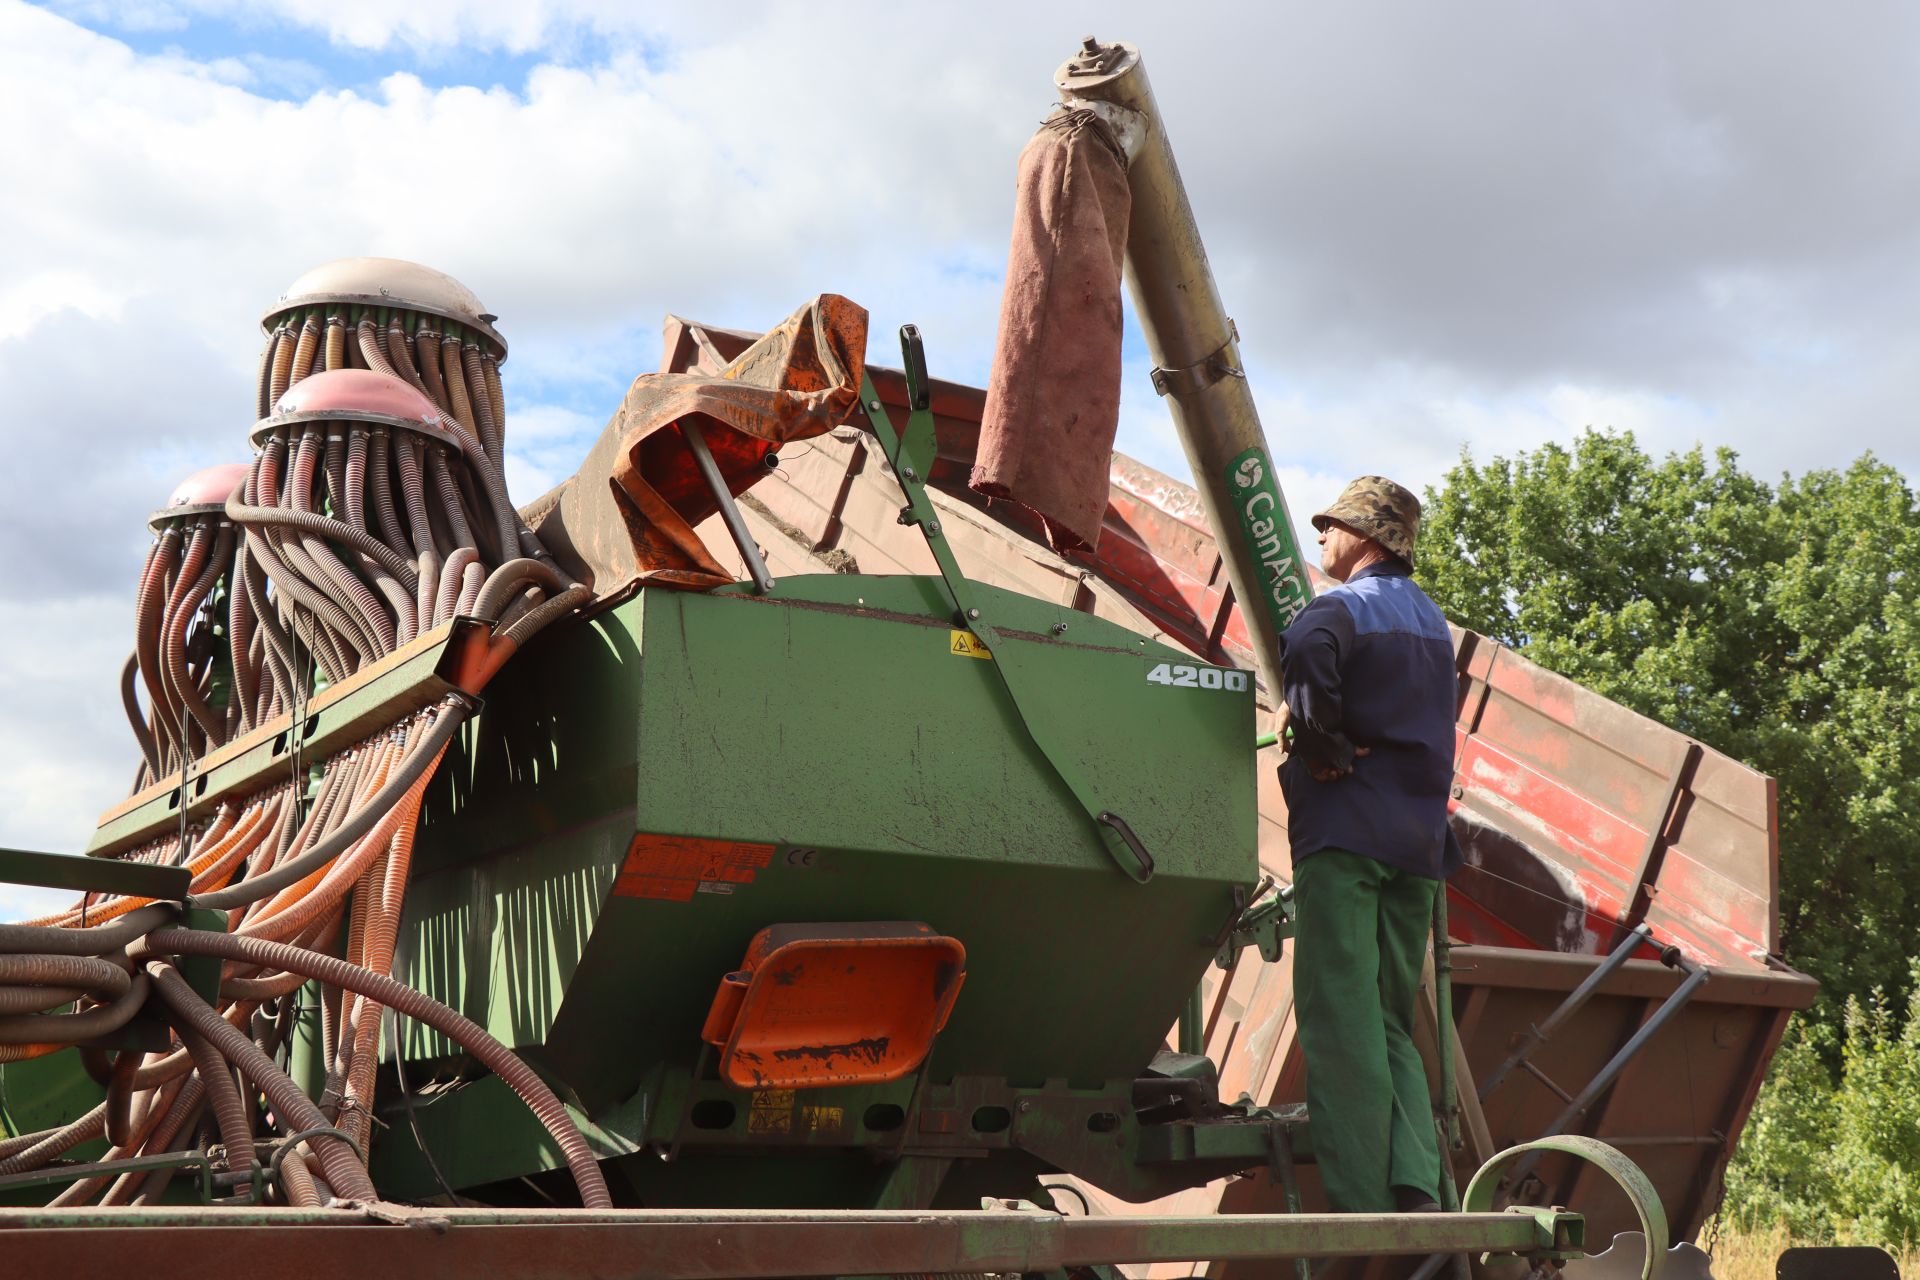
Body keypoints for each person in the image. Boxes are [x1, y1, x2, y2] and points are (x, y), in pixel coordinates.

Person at [1276, 474, 1463, 1215]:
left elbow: (1304, 644)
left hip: (1346, 838)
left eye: (1333, 525)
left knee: (1337, 1015)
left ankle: (1361, 1209)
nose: (1322, 535)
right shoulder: (1430, 624)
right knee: (1390, 1017)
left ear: (1369, 538)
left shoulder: (1342, 607)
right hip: (1415, 847)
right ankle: (1419, 1186)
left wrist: (1319, 740)